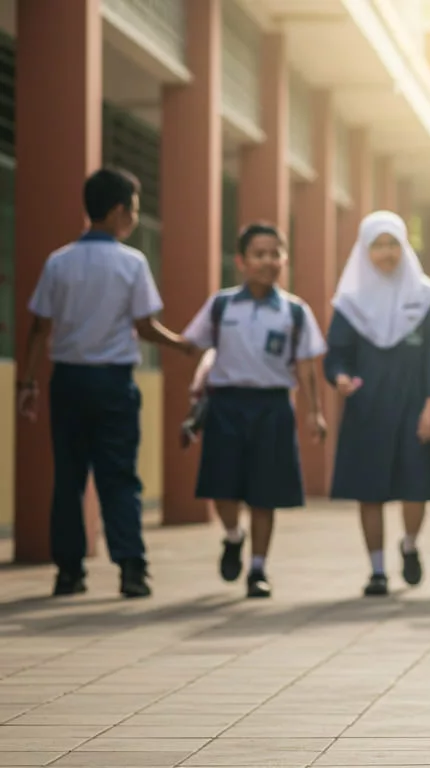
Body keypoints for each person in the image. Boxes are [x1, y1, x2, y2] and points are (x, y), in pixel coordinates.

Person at [18, 167, 197, 598]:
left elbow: (39, 327)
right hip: (114, 384)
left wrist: (26, 383)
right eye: (133, 209)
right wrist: (182, 345)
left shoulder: (59, 261)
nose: (134, 218)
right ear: (118, 211)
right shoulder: (131, 262)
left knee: (69, 477)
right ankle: (131, 569)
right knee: (119, 476)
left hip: (68, 382)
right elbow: (145, 326)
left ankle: (69, 572)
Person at [182, 223, 329, 598]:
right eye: (258, 254)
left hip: (273, 406)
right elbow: (191, 343)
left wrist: (314, 412)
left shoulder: (294, 311)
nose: (267, 261)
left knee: (265, 493)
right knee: (222, 487)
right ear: (241, 261)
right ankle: (234, 536)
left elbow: (307, 366)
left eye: (274, 253)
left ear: (284, 259)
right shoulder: (222, 305)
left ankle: (258, 569)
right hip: (226, 404)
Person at [325, 210, 430, 598]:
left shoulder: (426, 296)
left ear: (404, 246)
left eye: (393, 244)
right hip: (368, 405)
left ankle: (409, 545)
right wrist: (340, 377)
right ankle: (377, 570)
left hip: (414, 402)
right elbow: (337, 354)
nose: (386, 253)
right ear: (364, 250)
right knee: (370, 489)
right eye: (377, 245)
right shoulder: (351, 301)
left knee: (416, 486)